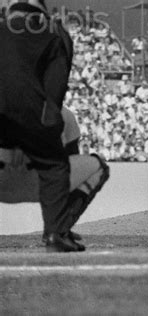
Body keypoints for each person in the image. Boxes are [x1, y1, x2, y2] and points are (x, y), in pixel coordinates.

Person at [0, 0, 99, 252]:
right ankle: (57, 231)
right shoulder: (63, 115)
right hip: (37, 181)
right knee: (85, 167)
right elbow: (66, 172)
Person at [0, 107, 110, 251]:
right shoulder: (62, 113)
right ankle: (58, 232)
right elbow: (70, 160)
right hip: (42, 181)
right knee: (99, 167)